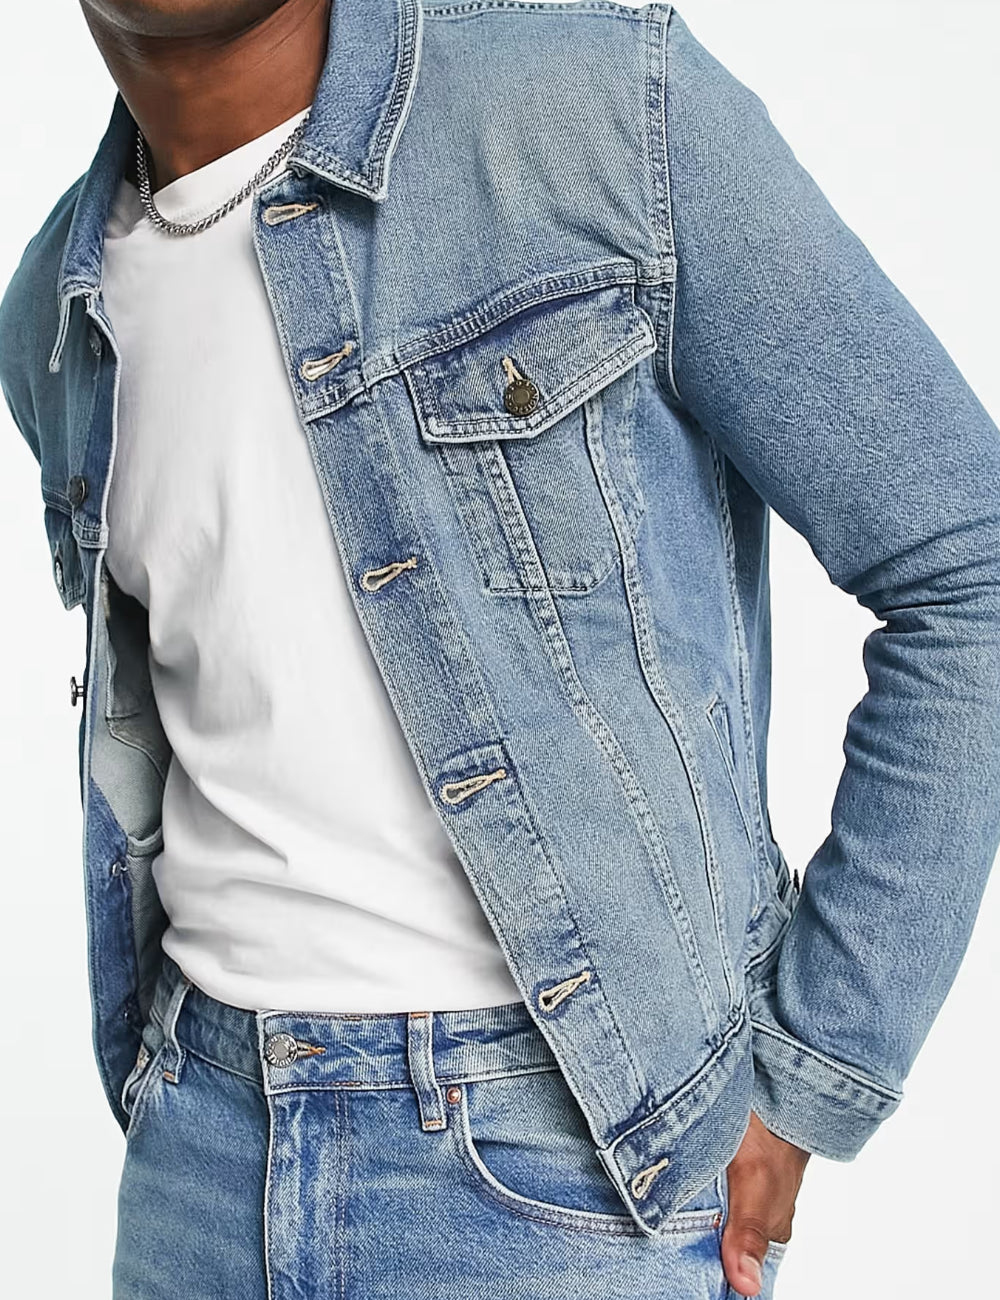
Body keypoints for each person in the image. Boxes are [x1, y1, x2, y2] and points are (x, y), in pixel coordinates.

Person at [1, 1, 996, 1296]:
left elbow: (966, 565)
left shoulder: (597, 106)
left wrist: (813, 1075)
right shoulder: (54, 313)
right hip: (201, 1154)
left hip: (566, 1172)